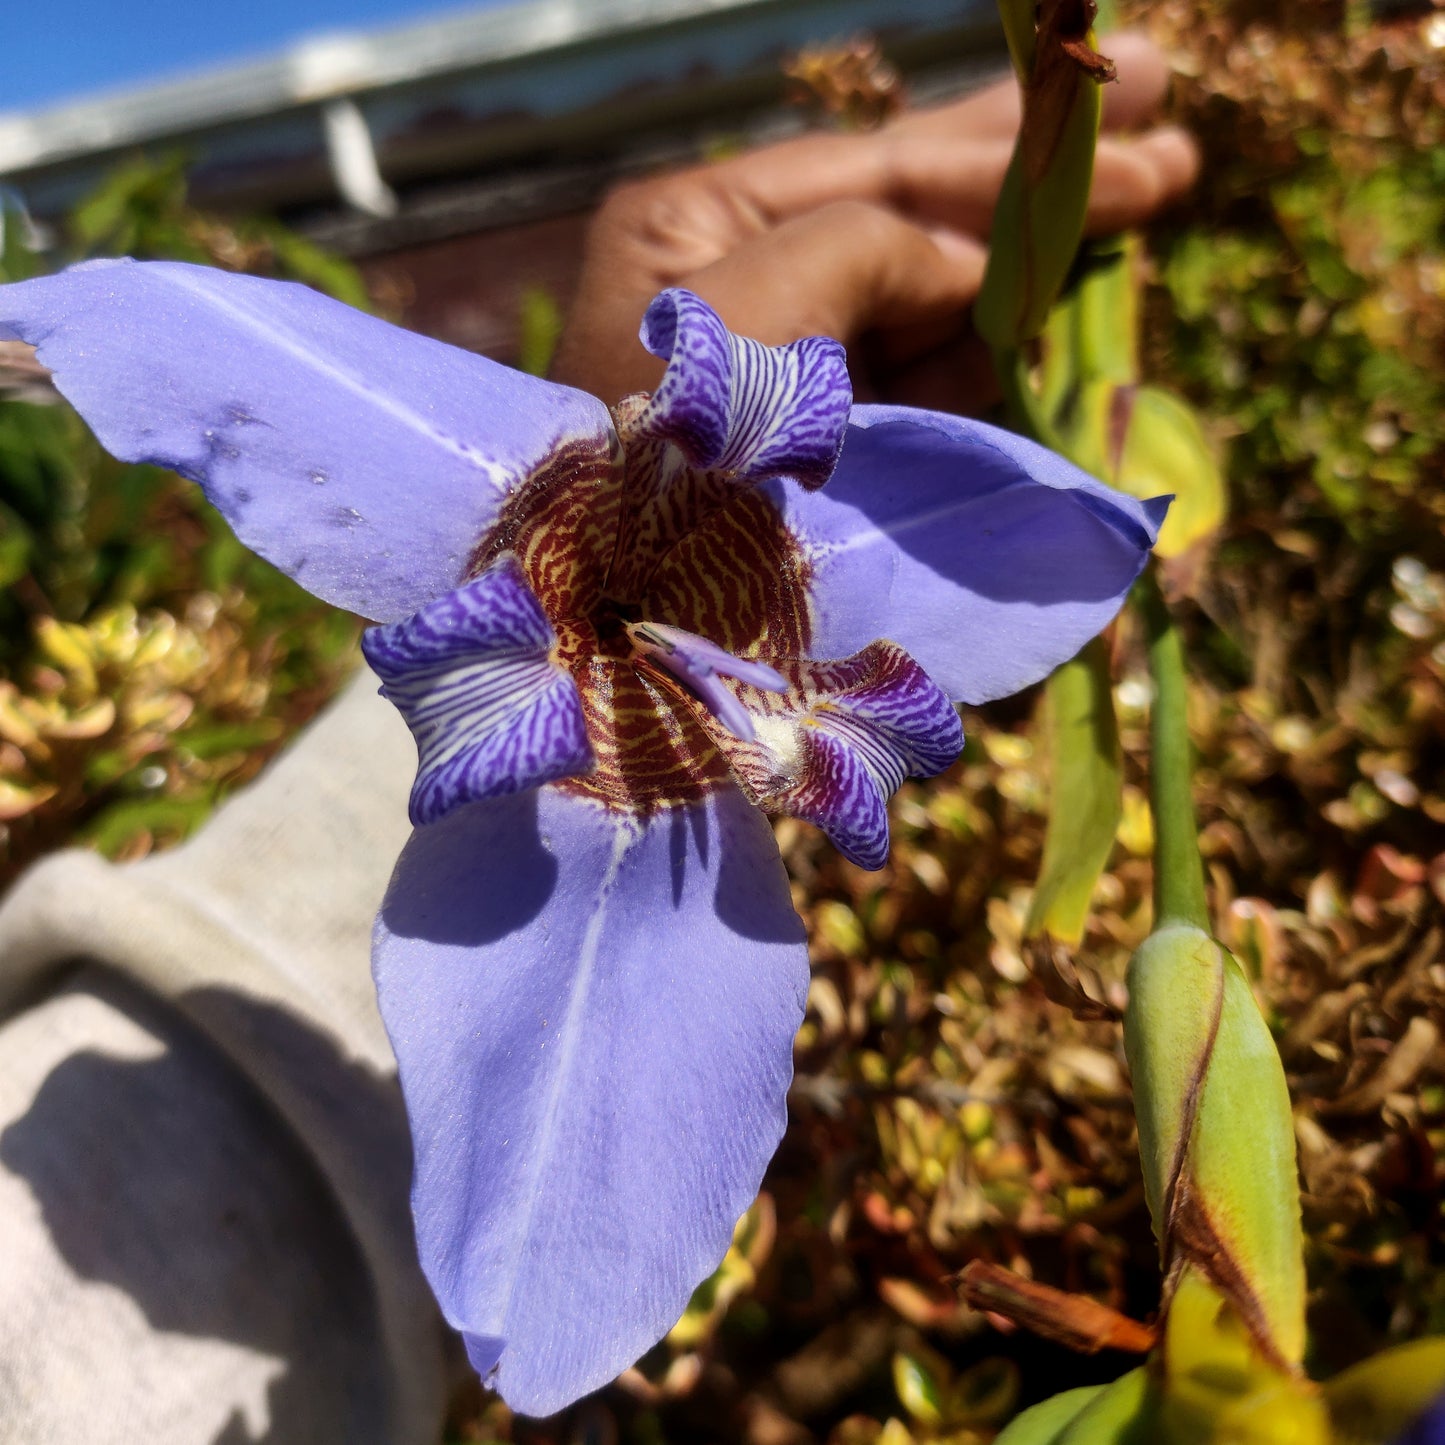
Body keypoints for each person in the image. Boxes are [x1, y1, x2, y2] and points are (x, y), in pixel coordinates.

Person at [0, 36, 1195, 1445]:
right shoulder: (561, 534)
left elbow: (1053, 524)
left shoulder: (767, 568)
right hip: (598, 663)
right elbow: (1057, 529)